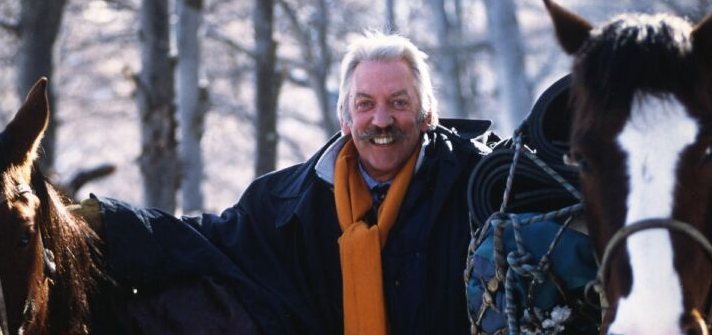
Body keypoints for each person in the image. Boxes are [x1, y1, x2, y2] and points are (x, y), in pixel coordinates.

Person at [80, 31, 499, 334]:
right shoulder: (286, 203)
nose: (382, 120)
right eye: (365, 104)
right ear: (345, 119)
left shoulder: (477, 187)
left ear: (429, 115)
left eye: (399, 103)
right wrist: (104, 223)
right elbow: (202, 241)